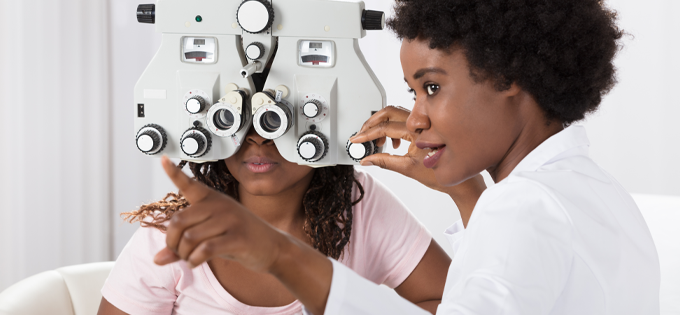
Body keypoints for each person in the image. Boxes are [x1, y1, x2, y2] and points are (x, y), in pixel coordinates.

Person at [146, 0, 661, 314]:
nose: (412, 120)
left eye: (432, 88)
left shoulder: (524, 207)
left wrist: (281, 255)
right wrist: (463, 190)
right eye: (413, 93)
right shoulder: (593, 193)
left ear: (510, 77)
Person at [97, 127, 475, 315]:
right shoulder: (175, 230)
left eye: (280, 120)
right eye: (239, 119)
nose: (259, 140)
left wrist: (465, 189)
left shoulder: (359, 204)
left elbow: (447, 301)